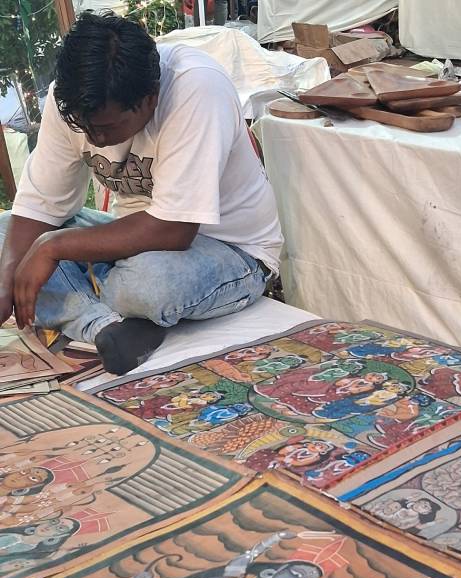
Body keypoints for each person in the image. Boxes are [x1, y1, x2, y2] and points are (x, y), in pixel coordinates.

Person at [0, 13, 282, 375]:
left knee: (148, 283)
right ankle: (108, 327)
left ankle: (97, 307)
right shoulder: (70, 99)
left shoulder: (197, 87)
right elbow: (36, 209)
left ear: (150, 98)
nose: (95, 139)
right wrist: (7, 282)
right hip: (130, 240)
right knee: (7, 235)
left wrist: (51, 248)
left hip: (231, 250)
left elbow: (173, 231)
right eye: (84, 127)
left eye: (107, 127)